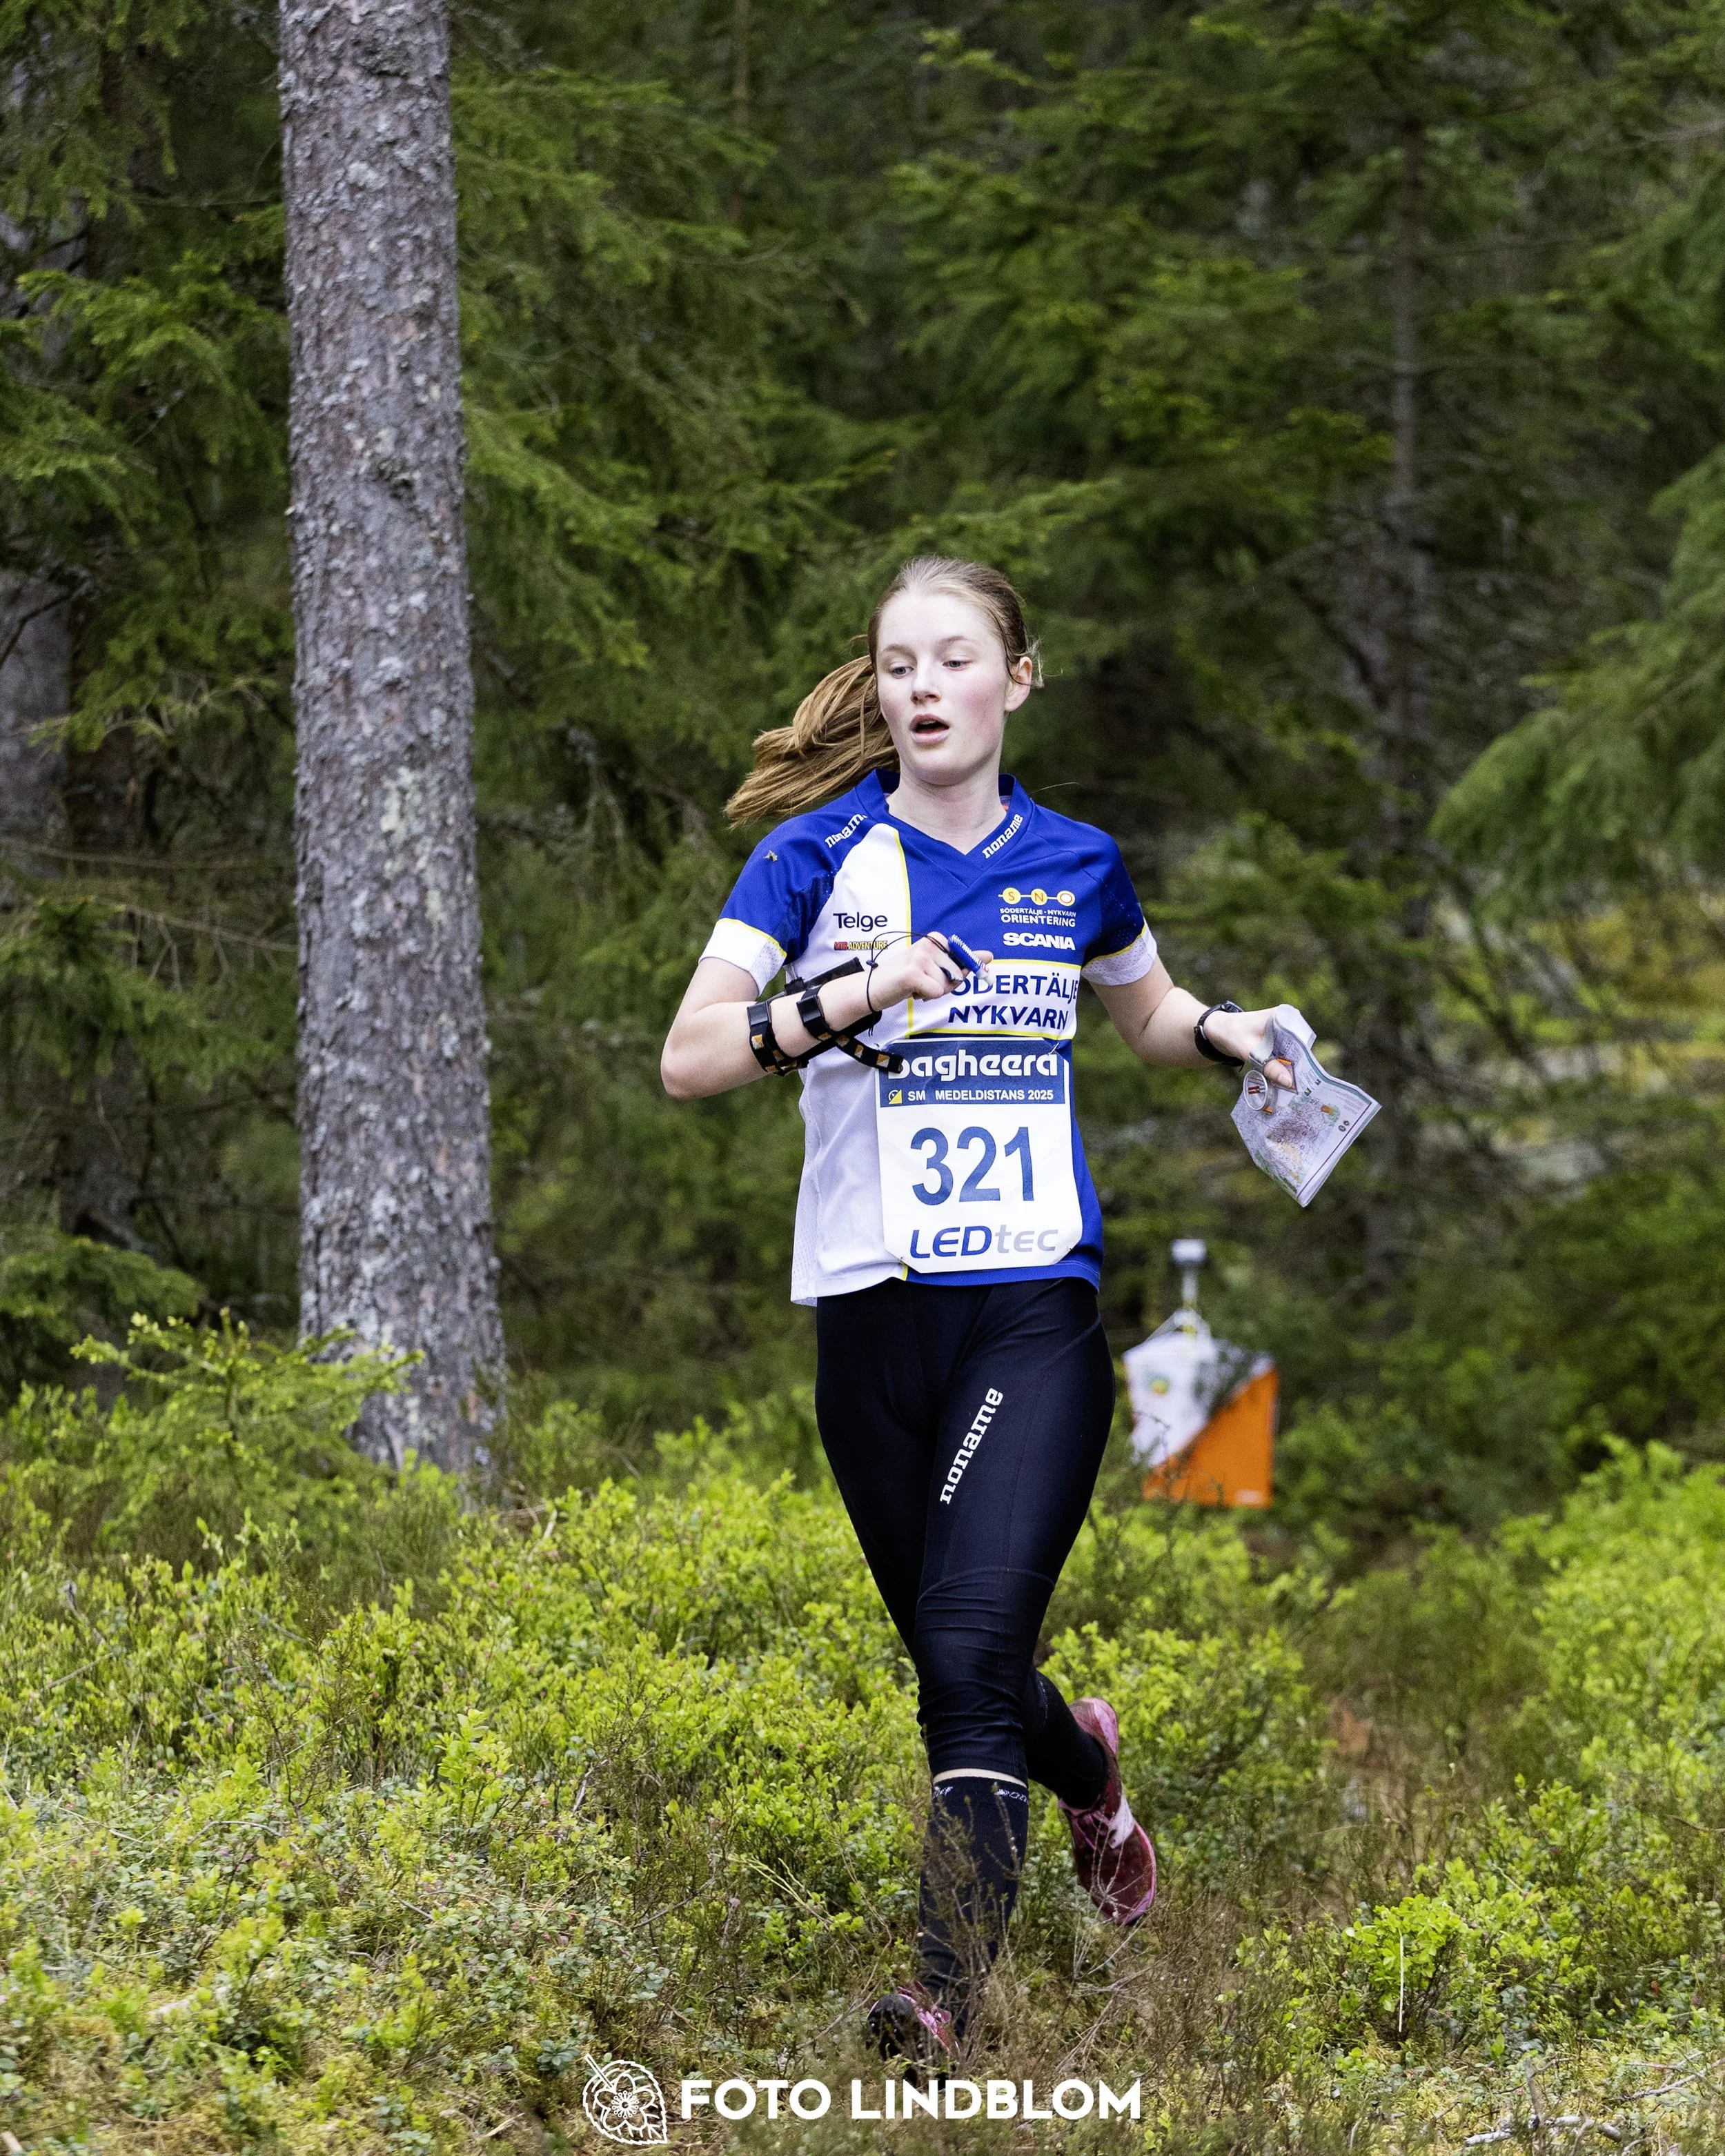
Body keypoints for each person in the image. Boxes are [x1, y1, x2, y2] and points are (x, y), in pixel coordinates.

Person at [660, 556, 1294, 2060]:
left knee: (959, 1649)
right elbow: (690, 1056)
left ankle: (938, 1993)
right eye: (896, 665)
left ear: (1014, 678)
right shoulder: (813, 861)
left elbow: (1137, 1012)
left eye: (952, 659)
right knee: (978, 1667)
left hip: (1029, 1306)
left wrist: (1231, 1030)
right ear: (876, 689)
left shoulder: (1076, 859)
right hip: (869, 1323)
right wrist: (856, 993)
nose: (921, 688)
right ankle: (1089, 1775)